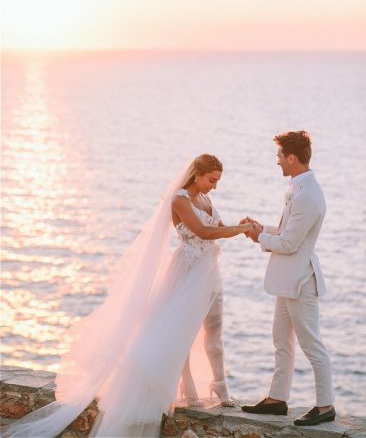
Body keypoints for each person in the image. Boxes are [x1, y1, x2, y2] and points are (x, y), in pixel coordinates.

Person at [4, 154, 251, 438]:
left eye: (218, 181)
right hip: (188, 272)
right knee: (181, 333)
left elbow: (214, 225)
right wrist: (240, 230)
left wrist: (237, 224)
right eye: (212, 180)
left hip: (209, 272)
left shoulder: (206, 199)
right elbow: (203, 231)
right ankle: (189, 390)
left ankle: (221, 387)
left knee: (214, 331)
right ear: (197, 174)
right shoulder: (179, 199)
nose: (214, 187)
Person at [240, 131, 335, 427]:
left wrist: (259, 238)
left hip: (300, 282)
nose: (277, 161)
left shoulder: (307, 195)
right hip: (288, 279)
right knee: (281, 339)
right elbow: (286, 232)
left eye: (279, 156)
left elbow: (290, 244)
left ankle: (325, 406)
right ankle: (277, 399)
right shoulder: (300, 188)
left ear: (291, 158)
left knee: (311, 344)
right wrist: (262, 227)